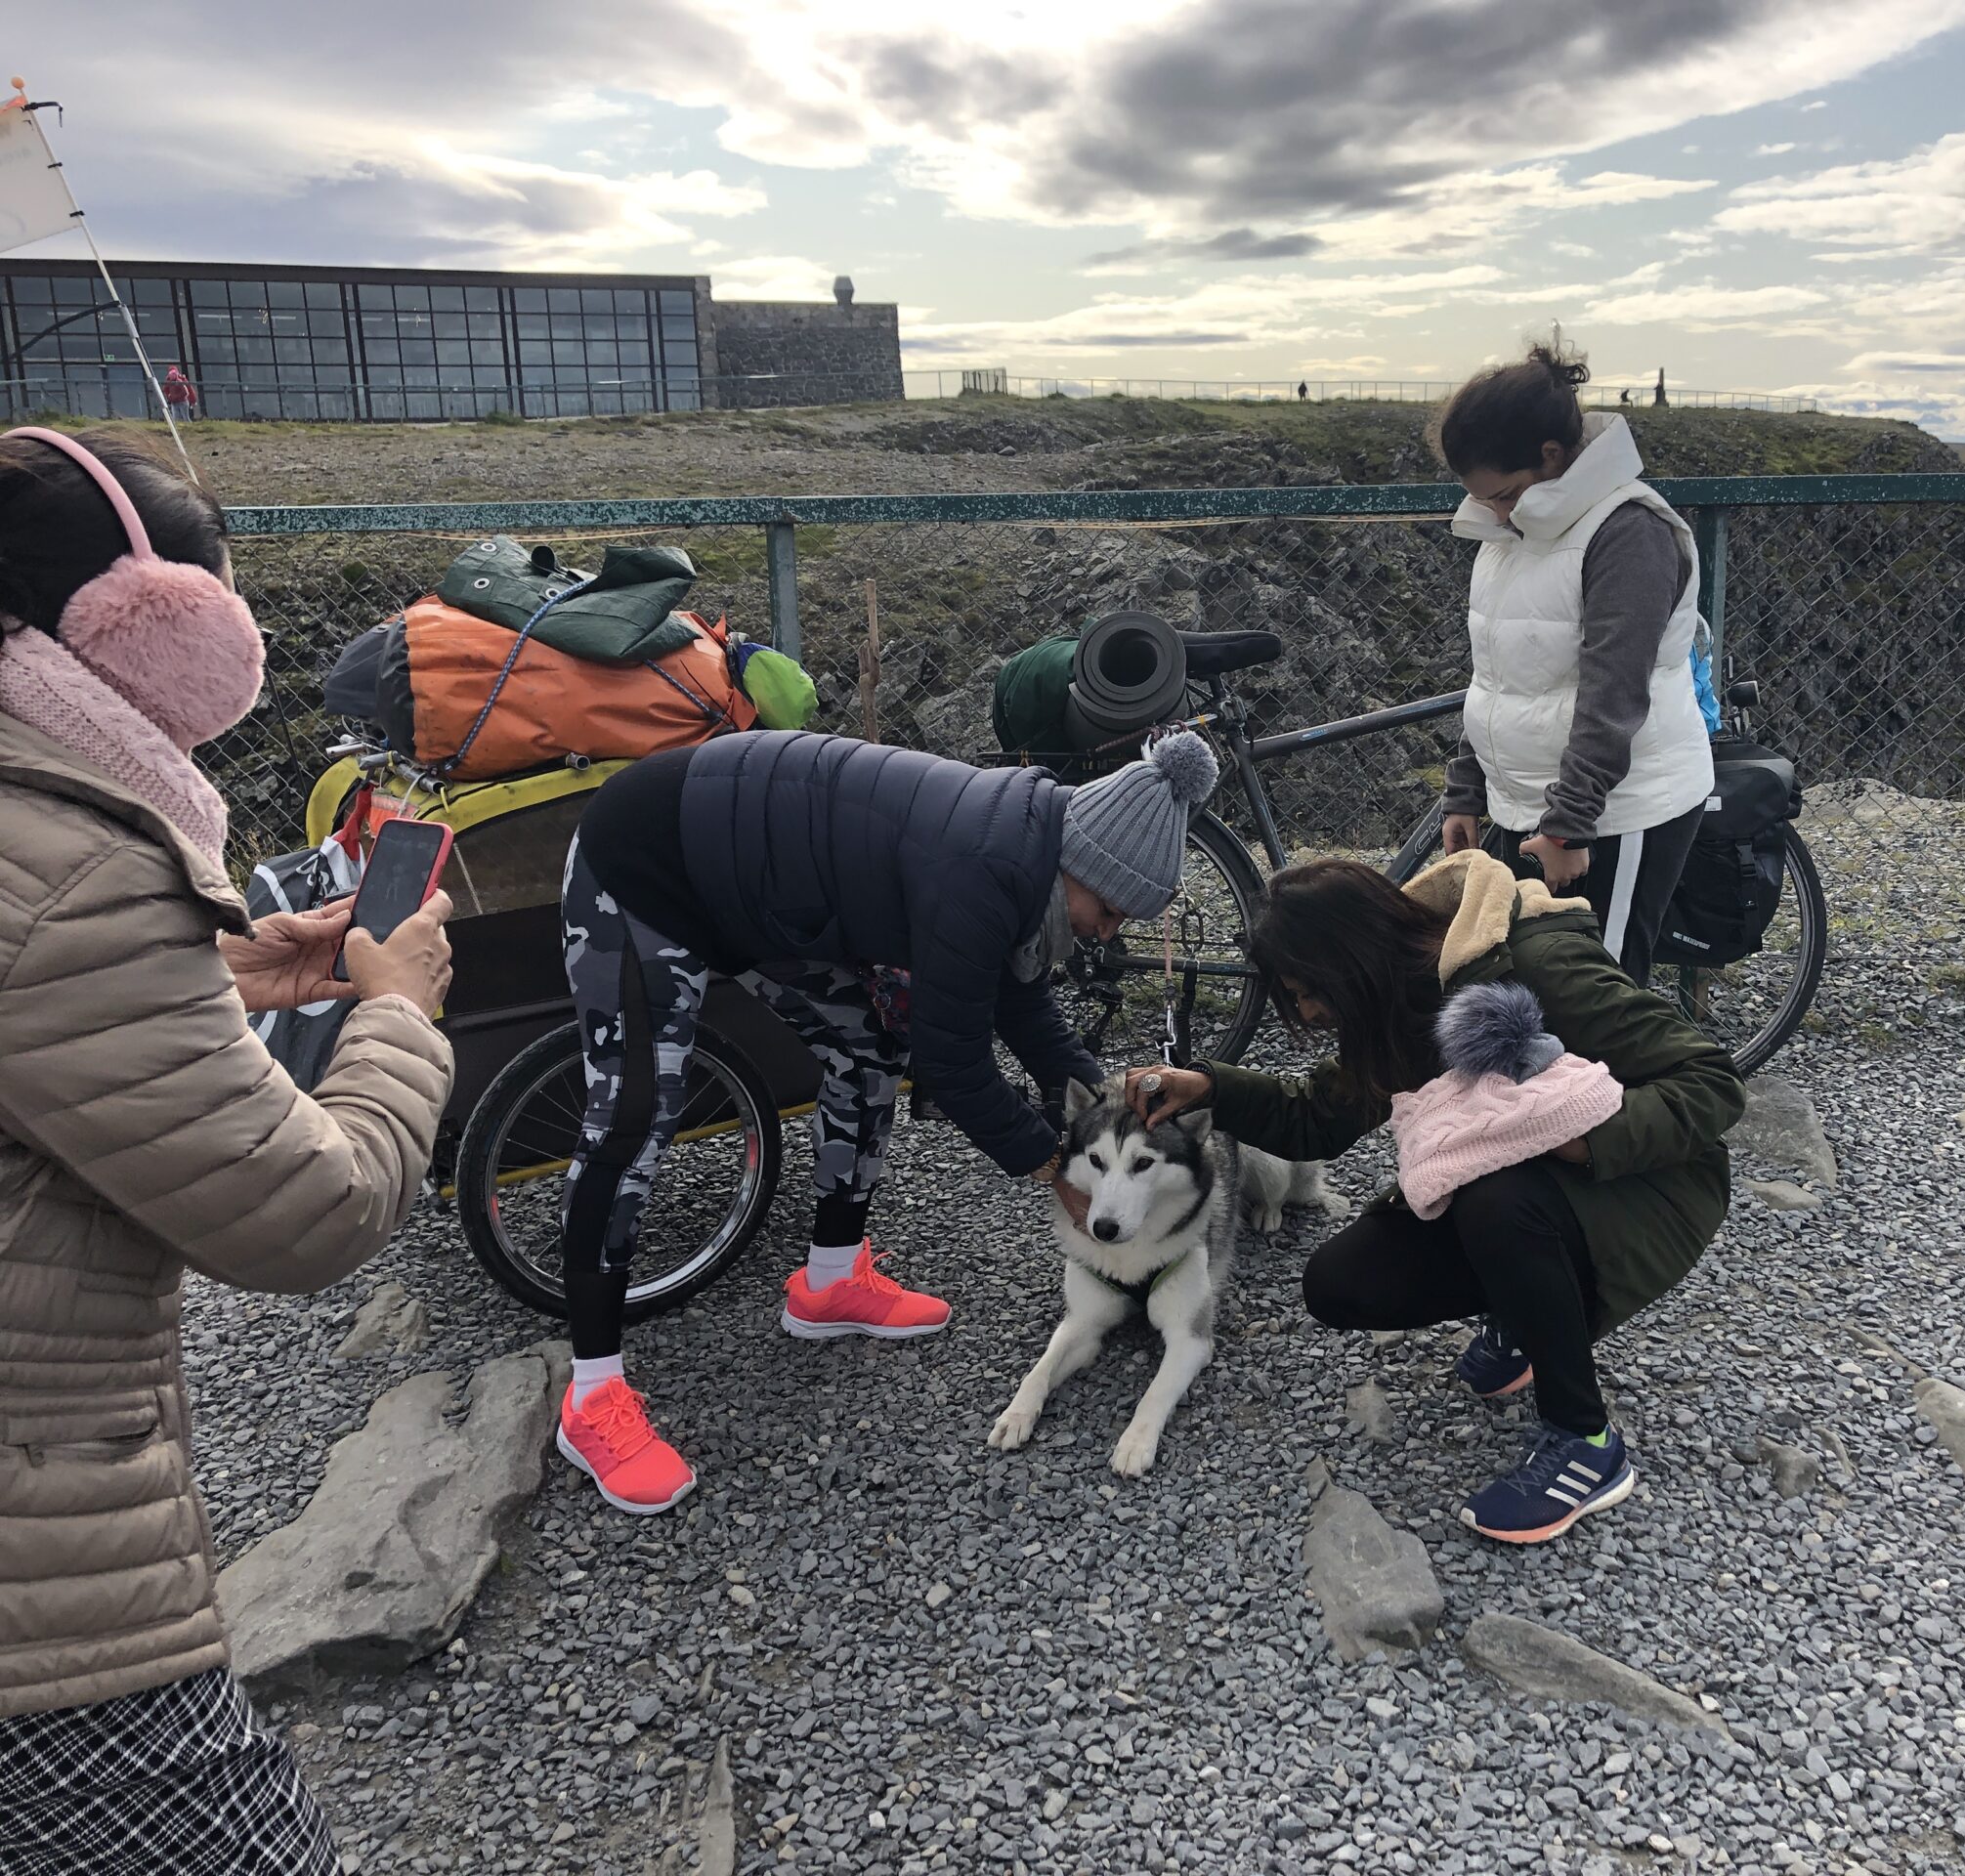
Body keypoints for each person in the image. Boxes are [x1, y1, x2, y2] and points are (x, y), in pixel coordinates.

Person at [0, 425, 457, 1873]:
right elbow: (303, 1216)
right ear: (167, 634)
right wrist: (402, 1016)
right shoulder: (74, 868)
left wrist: (216, 982)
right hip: (50, 1597)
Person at [551, 725, 1220, 1514]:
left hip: (755, 892)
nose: (1105, 933)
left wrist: (1109, 1106)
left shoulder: (1033, 851)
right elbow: (956, 1063)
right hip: (648, 860)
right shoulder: (984, 868)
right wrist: (1053, 1169)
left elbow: (1019, 1001)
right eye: (1107, 911)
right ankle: (590, 1395)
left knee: (867, 1046)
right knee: (637, 1112)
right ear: (1083, 865)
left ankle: (829, 1283)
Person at [1123, 851, 1742, 1543]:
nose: (1308, 1011)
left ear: (1351, 957)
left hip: (1653, 1184)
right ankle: (1532, 1313)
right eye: (1294, 997)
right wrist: (1210, 1087)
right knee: (1340, 1284)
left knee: (1493, 1198)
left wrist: (1576, 1138)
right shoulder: (1399, 996)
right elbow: (1318, 1116)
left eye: (1309, 991)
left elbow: (1711, 1083)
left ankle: (1585, 1442)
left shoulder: (1536, 963)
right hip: (1527, 1187)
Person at [1432, 342, 1716, 985]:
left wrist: (1568, 827)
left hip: (1619, 809)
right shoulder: (1509, 528)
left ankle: (1644, 1092)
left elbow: (1612, 696)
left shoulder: (1628, 532)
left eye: (1502, 494)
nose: (1492, 510)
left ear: (1550, 457)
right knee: (1529, 991)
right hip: (1529, 806)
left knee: (1599, 1004)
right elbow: (1500, 681)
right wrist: (1467, 794)